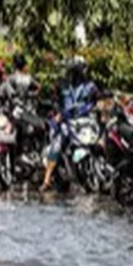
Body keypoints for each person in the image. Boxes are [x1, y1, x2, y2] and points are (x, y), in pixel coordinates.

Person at [41, 56, 101, 191]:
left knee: (99, 141)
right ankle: (46, 179)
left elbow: (98, 99)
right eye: (75, 71)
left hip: (85, 121)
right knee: (57, 144)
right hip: (67, 121)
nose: (78, 74)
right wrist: (57, 114)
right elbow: (55, 101)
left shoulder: (90, 86)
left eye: (80, 71)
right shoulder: (63, 86)